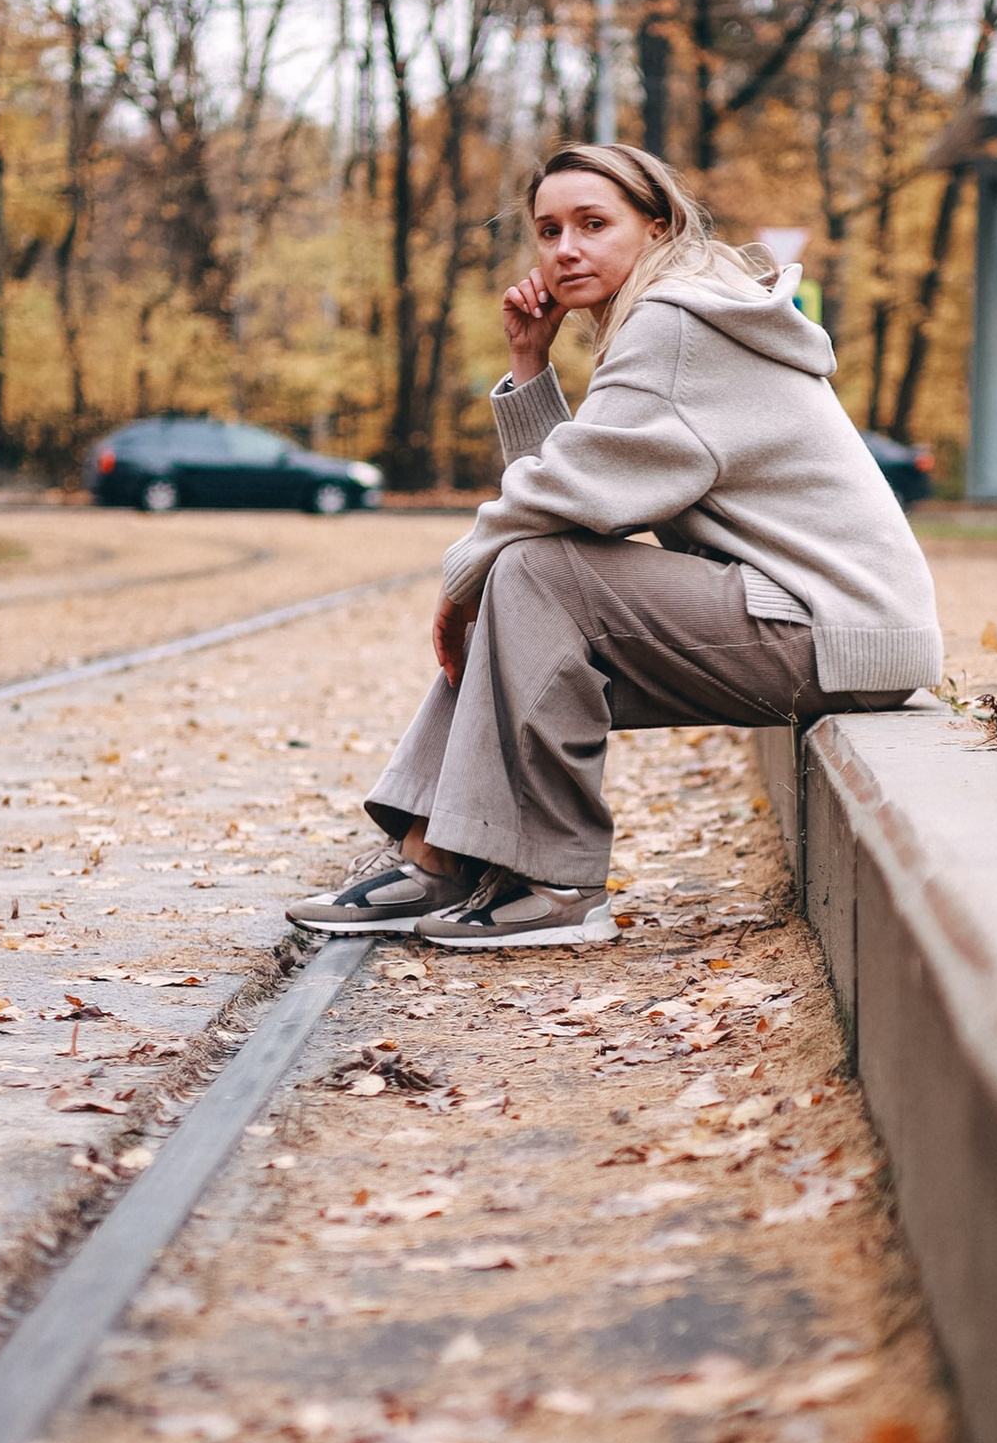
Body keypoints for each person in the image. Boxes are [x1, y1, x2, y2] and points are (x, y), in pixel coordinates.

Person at [289, 141, 943, 949]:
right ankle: (439, 857)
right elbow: (583, 495)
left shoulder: (675, 323)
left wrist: (459, 583)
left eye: (594, 224)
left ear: (657, 226)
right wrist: (530, 362)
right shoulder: (677, 309)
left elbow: (566, 503)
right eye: (548, 229)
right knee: (526, 575)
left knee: (525, 568)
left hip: (833, 629)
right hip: (823, 626)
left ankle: (555, 882)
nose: (566, 249)